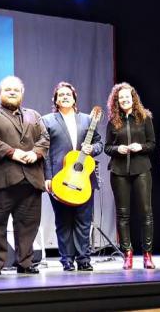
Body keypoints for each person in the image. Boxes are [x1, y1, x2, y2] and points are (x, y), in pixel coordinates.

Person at [0, 75, 49, 275]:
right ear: (0, 93)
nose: (12, 92)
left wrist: (35, 153)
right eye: (8, 89)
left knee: (28, 226)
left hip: (30, 180)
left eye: (16, 90)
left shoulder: (34, 115)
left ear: (22, 94)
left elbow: (44, 138)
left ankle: (25, 263)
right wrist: (12, 152)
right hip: (0, 181)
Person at [41, 82, 103, 271]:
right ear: (56, 100)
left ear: (74, 98)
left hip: (84, 179)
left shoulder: (86, 120)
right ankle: (66, 259)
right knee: (63, 221)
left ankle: (83, 259)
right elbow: (45, 151)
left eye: (68, 94)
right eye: (61, 95)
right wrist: (48, 176)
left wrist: (92, 148)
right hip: (60, 179)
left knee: (84, 221)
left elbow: (99, 143)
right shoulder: (47, 120)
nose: (65, 97)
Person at [104, 82, 156, 270]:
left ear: (133, 98)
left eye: (127, 97)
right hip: (119, 171)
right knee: (123, 214)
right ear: (116, 101)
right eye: (121, 98)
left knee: (145, 212)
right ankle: (127, 254)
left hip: (141, 168)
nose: (124, 100)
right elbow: (107, 147)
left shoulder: (144, 118)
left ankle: (148, 254)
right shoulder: (113, 121)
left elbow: (152, 144)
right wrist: (118, 148)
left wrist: (140, 147)